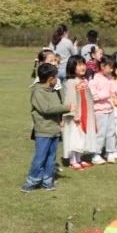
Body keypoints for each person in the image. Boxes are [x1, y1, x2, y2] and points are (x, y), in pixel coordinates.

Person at [22, 62, 70, 192]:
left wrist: (61, 116)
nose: (57, 80)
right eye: (56, 77)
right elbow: (47, 109)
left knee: (51, 157)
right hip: (43, 131)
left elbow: (58, 105)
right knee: (40, 157)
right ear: (50, 79)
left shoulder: (54, 90)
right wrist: (67, 108)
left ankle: (47, 181)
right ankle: (32, 180)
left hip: (54, 130)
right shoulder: (38, 92)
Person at [62, 55, 98, 169]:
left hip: (85, 114)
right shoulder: (71, 82)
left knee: (82, 136)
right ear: (72, 67)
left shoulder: (84, 81)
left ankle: (79, 158)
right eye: (79, 65)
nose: (83, 67)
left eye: (83, 64)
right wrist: (74, 114)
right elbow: (70, 99)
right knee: (75, 136)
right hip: (76, 115)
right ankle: (73, 160)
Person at [89, 56, 117, 164]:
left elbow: (114, 88)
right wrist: (107, 94)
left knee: (111, 132)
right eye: (110, 67)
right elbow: (93, 96)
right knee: (100, 133)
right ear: (102, 66)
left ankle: (110, 152)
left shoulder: (110, 78)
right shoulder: (95, 80)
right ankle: (96, 154)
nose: (112, 70)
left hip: (110, 109)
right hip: (99, 111)